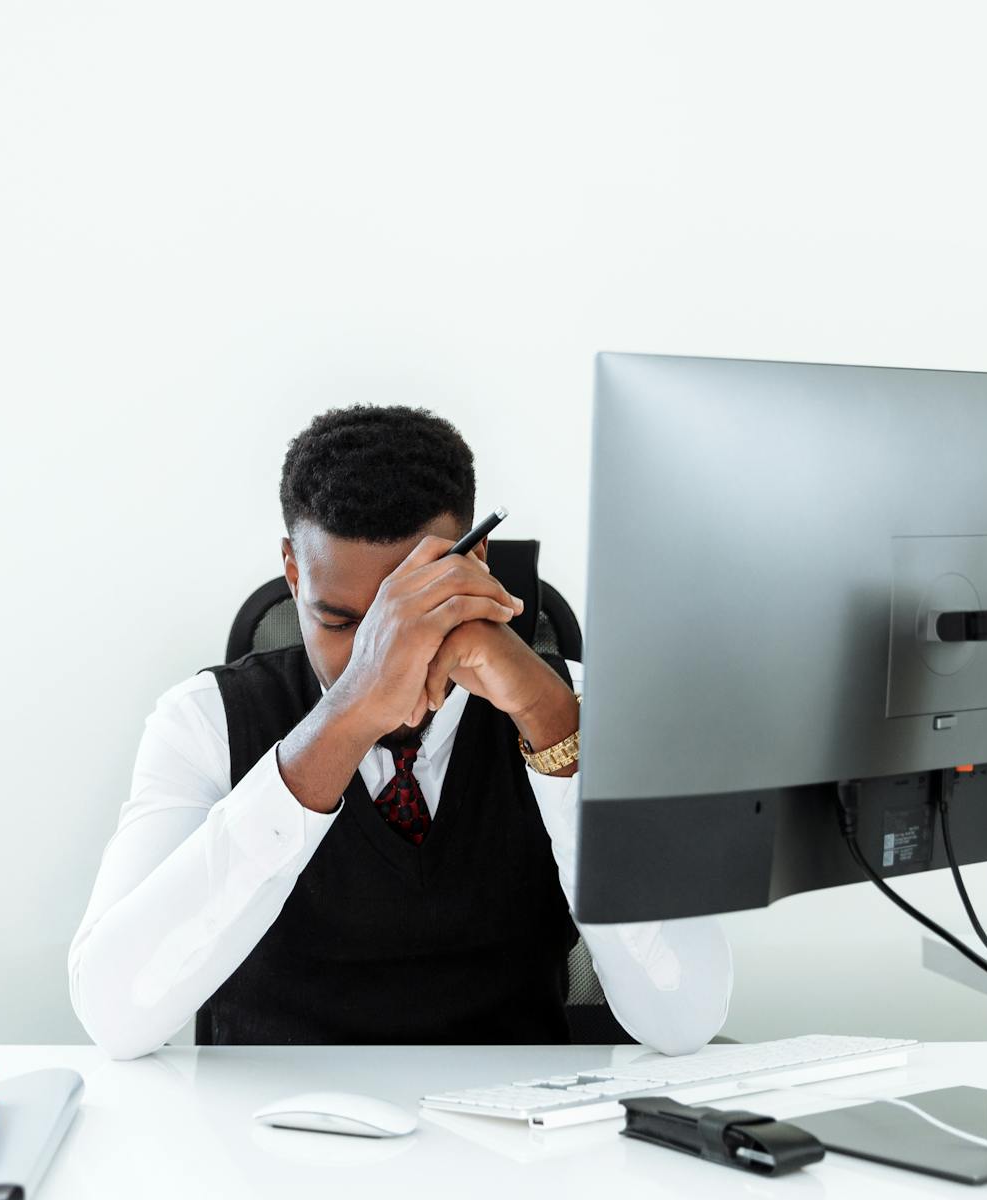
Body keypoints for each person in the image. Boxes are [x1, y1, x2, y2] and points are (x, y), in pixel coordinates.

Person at [68, 404, 731, 1058]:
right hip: (265, 1135)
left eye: (410, 613)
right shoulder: (204, 722)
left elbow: (684, 1018)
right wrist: (349, 713)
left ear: (475, 567)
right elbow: (115, 1016)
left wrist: (554, 728)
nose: (379, 654)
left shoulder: (579, 707)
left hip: (517, 1135)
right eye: (340, 622)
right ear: (294, 573)